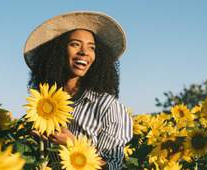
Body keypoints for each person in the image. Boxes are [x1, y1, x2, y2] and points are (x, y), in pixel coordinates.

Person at [23, 11, 133, 169]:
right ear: (58, 50)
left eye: (91, 47)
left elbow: (114, 165)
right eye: (75, 44)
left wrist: (73, 145)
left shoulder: (107, 106)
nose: (84, 52)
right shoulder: (41, 104)